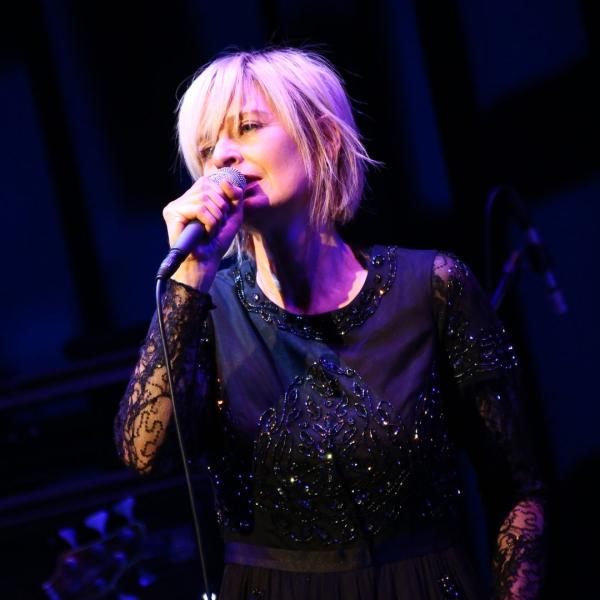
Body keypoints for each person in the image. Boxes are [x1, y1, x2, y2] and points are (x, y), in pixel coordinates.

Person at [114, 47, 546, 599]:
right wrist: (192, 274)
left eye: (246, 127)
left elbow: (517, 489)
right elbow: (140, 452)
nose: (221, 155)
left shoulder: (433, 287)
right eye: (205, 147)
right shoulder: (205, 308)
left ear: (324, 139)